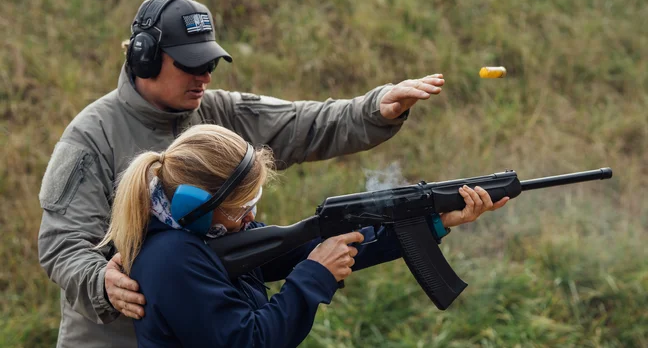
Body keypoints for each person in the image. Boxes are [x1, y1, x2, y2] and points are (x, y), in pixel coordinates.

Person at [36, 0, 504, 348]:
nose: (206, 77)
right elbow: (60, 243)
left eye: (211, 63)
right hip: (114, 335)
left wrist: (374, 110)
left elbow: (302, 122)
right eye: (191, 65)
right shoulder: (89, 138)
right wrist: (102, 282)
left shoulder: (217, 110)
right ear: (144, 56)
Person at [93, 124, 506, 347]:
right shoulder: (173, 260)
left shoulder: (204, 236)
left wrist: (433, 222)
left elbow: (312, 248)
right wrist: (313, 276)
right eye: (241, 206)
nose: (251, 217)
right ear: (194, 206)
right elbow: (252, 340)